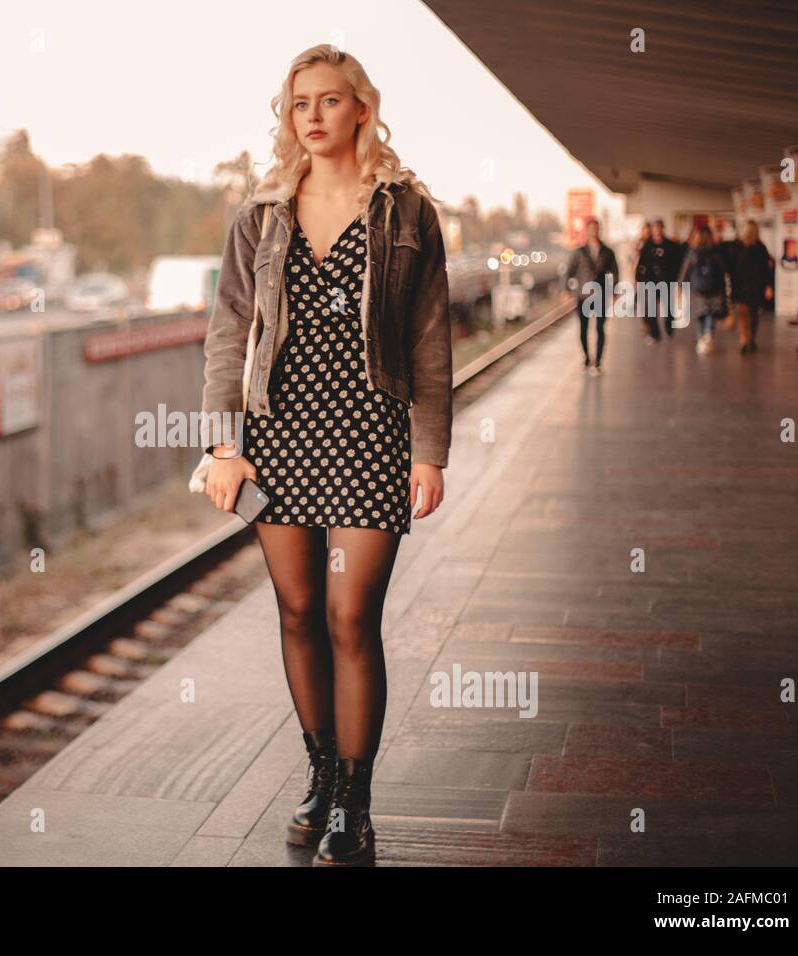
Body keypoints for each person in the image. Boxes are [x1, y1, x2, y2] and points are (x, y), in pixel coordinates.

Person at [196, 44, 452, 865]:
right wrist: (222, 445)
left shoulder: (406, 211)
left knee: (351, 617)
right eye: (299, 102)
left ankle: (357, 799)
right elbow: (228, 332)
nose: (311, 115)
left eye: (329, 100)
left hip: (371, 431)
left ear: (361, 110)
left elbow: (429, 338)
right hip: (277, 432)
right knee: (299, 611)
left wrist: (430, 450)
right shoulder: (260, 214)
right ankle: (321, 778)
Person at [563, 217, 619, 374]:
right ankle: (587, 357)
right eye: (591, 228)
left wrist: (614, 290)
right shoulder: (579, 252)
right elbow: (569, 271)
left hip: (601, 295)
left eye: (596, 228)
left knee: (601, 328)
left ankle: (598, 362)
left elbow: (615, 272)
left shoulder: (608, 252)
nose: (593, 231)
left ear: (599, 230)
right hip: (584, 296)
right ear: (587, 231)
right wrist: (566, 290)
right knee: (583, 329)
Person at [721, 220, 774, 353]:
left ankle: (749, 339)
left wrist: (769, 286)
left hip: (754, 285)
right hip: (741, 285)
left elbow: (767, 269)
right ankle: (745, 339)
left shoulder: (760, 247)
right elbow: (729, 266)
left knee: (752, 314)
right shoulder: (737, 246)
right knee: (745, 313)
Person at [677, 224, 729, 354]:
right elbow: (724, 270)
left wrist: (680, 286)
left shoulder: (693, 252)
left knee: (700, 314)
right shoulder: (716, 252)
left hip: (697, 289)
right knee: (710, 313)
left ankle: (701, 339)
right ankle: (708, 333)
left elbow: (685, 270)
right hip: (714, 288)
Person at [635, 217, 685, 341]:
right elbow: (641, 264)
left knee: (668, 307)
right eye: (654, 228)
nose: (656, 231)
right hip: (650, 281)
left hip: (667, 281)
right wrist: (638, 279)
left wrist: (678, 282)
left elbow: (678, 264)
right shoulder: (647, 246)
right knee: (651, 308)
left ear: (662, 229)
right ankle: (655, 332)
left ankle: (669, 326)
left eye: (658, 228)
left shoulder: (672, 246)